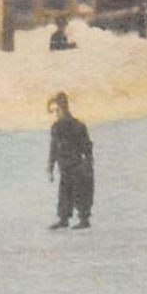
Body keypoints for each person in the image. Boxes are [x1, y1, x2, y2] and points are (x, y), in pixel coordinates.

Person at [46, 92, 93, 230]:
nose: (57, 113)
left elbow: (87, 148)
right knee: (65, 192)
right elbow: (53, 149)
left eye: (57, 110)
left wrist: (88, 164)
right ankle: (64, 219)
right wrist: (50, 167)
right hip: (66, 167)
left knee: (80, 192)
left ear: (63, 107)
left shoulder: (78, 126)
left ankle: (83, 220)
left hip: (76, 166)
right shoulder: (58, 127)